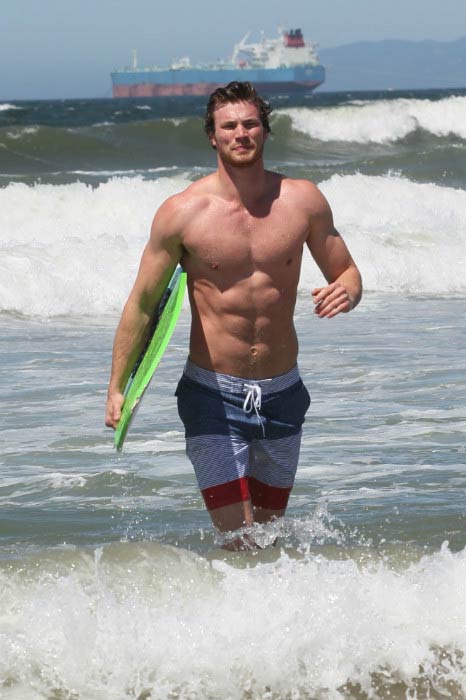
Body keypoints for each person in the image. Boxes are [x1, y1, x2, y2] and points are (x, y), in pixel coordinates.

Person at [105, 81, 362, 549]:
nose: (240, 133)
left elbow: (346, 271)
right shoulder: (182, 213)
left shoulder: (302, 201)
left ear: (264, 130)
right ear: (213, 136)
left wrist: (347, 291)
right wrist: (118, 386)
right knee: (239, 540)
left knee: (268, 539)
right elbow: (142, 304)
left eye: (249, 124)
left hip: (284, 394)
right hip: (212, 396)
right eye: (229, 126)